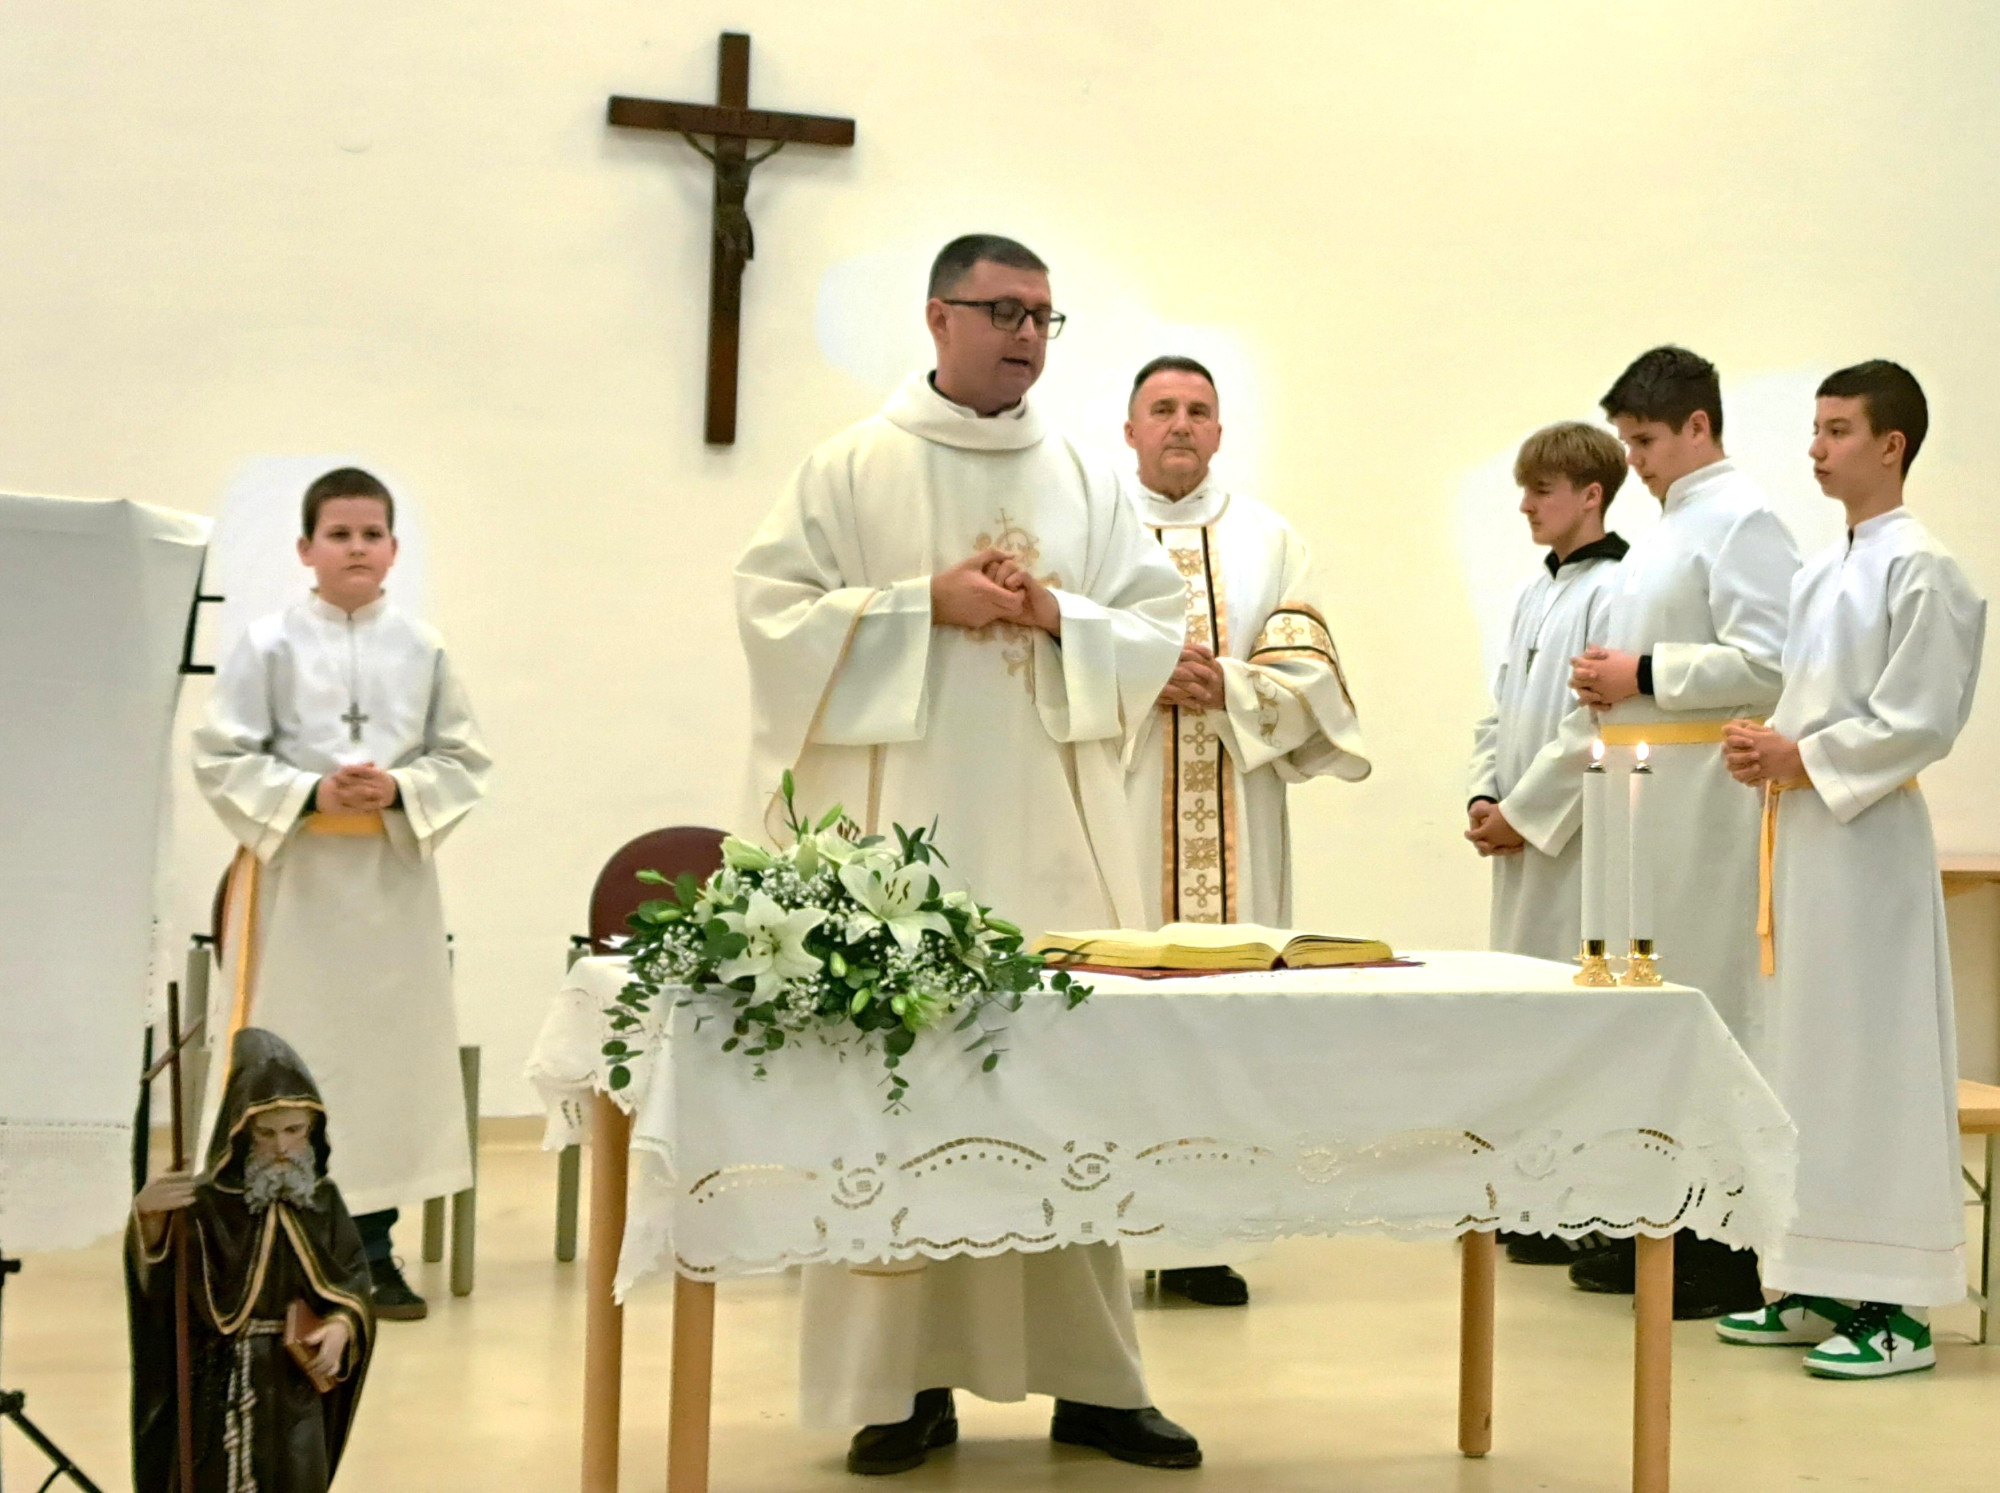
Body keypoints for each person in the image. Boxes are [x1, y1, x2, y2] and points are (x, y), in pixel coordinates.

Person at [736, 234, 1200, 1473]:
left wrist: (1055, 611)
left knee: (1066, 1098)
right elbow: (769, 618)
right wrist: (916, 605)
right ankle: (902, 1386)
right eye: (1003, 311)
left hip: (1051, 849)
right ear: (938, 317)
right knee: (903, 1102)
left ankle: (1096, 1382)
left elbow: (1153, 623)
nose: (1027, 335)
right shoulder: (850, 466)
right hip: (900, 855)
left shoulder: (1084, 476)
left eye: (1044, 315)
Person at [1715, 362, 1983, 1377]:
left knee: (1875, 1060)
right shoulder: (1819, 569)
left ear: (1891, 445)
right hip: (1806, 842)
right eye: (1815, 429)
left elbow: (1921, 719)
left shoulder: (1925, 569)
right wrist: (1767, 748)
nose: (1816, 448)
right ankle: (1816, 1277)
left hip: (1868, 846)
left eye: (1836, 430)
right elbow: (1811, 704)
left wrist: (1806, 756)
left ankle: (1896, 1306)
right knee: (1807, 1055)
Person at [191, 468, 492, 1320]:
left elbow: (463, 758)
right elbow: (222, 753)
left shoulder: (424, 648)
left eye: (371, 534)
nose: (356, 548)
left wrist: (399, 787)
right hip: (297, 889)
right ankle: (274, 1249)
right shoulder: (268, 644)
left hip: (392, 891)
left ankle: (371, 1252)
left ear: (394, 549)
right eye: (339, 534)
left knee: (385, 1070)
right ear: (305, 548)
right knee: (293, 1056)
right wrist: (309, 792)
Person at [1120, 354, 1369, 1306]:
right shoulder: (1089, 533)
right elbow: (1039, 658)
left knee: (1223, 1016)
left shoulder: (1270, 539)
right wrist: (1132, 676)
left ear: (1220, 431)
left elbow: (1310, 676)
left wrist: (1224, 683)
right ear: (1131, 430)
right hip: (1118, 807)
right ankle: (1100, 1230)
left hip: (1237, 807)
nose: (1181, 424)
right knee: (1118, 1006)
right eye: (1162, 408)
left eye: (1198, 410)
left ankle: (1203, 1236)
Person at [1563, 346, 1800, 1317]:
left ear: (1699, 426)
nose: (1635, 460)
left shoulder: (1743, 521)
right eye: (1626, 442)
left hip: (1707, 806)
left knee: (1706, 1009)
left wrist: (1645, 674)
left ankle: (1720, 1246)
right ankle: (1651, 1221)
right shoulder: (1668, 528)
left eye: (1647, 440)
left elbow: (1771, 661)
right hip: (1646, 802)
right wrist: (1610, 681)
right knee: (1645, 1011)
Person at [1465, 422, 1629, 1267]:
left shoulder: (1617, 590)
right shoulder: (1536, 593)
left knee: (1574, 1020)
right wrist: (1484, 793)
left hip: (1575, 843)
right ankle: (1529, 1195)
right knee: (1521, 1015)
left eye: (1543, 490)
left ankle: (1579, 1203)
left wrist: (1526, 813)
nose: (1527, 506)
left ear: (1591, 495)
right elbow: (1501, 706)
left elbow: (1594, 722)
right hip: (1521, 838)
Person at [128, 1027, 374, 1492]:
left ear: (312, 1131)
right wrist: (152, 1221)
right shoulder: (208, 1203)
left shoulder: (323, 1202)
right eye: (267, 1133)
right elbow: (163, 1292)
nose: (281, 1147)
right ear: (241, 1132)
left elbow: (354, 1280)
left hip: (296, 1384)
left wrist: (343, 1325)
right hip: (221, 1383)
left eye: (294, 1131)